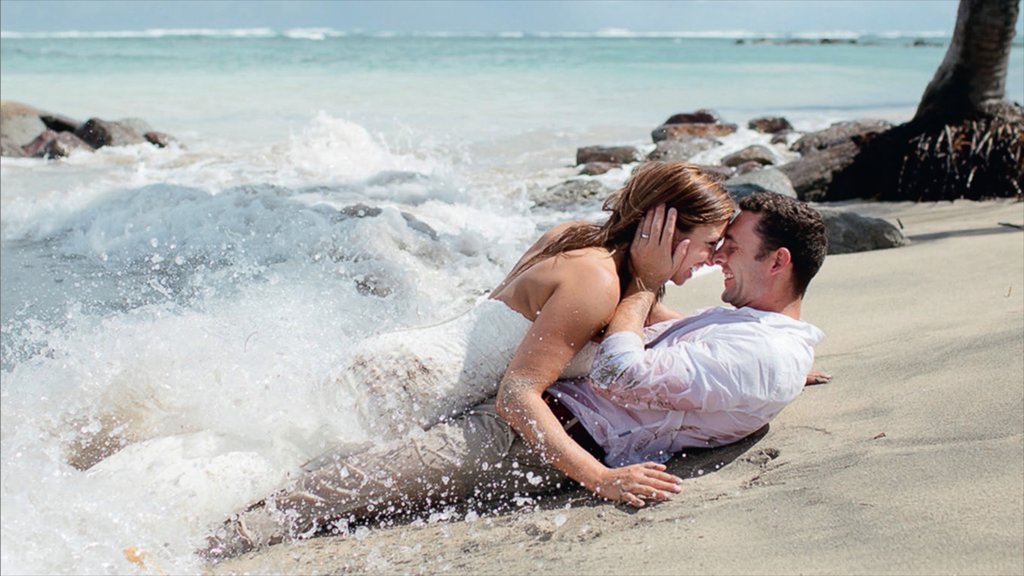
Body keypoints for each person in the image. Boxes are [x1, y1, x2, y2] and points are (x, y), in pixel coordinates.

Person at [200, 190, 826, 558]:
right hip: (498, 404)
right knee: (335, 484)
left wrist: (778, 369)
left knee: (330, 477)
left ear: (778, 262)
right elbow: (659, 345)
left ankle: (200, 539)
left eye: (730, 249)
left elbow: (632, 365)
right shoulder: (735, 332)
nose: (717, 260)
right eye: (712, 245)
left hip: (532, 423)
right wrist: (650, 281)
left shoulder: (761, 354)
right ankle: (200, 544)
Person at [335, 161, 735, 438]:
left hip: (394, 365)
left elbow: (665, 323)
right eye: (711, 243)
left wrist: (755, 351)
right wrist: (601, 479)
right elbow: (516, 395)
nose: (715, 258)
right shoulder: (596, 280)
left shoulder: (580, 239)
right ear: (664, 229)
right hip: (403, 387)